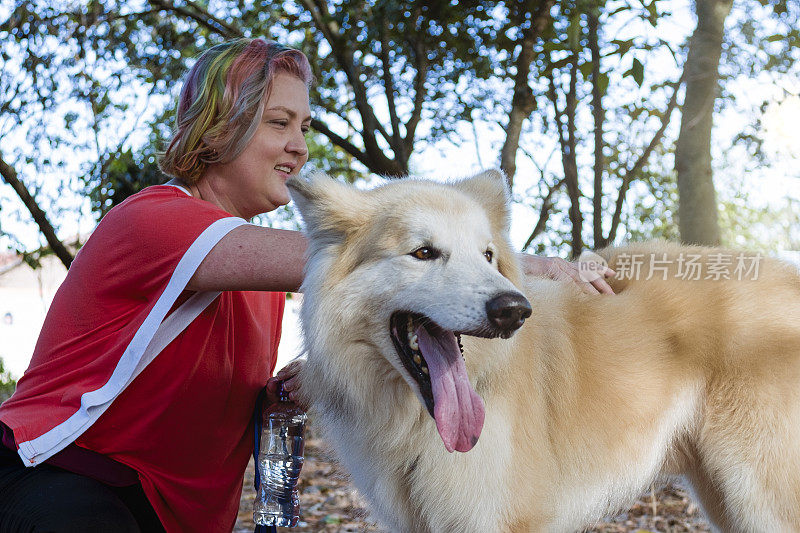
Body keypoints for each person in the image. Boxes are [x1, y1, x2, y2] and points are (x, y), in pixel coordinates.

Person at [0, 38, 613, 533]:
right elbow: (363, 254)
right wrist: (520, 266)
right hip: (59, 479)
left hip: (165, 512)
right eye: (278, 123)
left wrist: (290, 386)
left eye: (304, 124)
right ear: (217, 129)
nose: (298, 145)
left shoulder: (261, 282)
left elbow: (205, 380)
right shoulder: (155, 219)